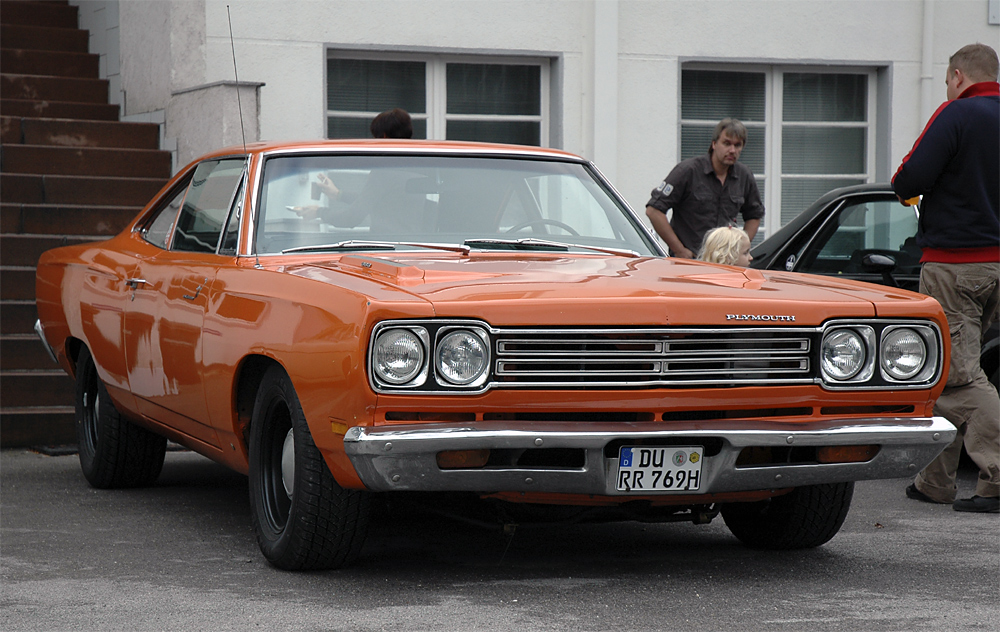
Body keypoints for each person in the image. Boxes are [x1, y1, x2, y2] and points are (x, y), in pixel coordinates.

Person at [892, 43, 999, 514]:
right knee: (947, 370)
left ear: (958, 75)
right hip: (995, 266)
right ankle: (934, 480)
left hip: (954, 263)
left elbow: (908, 179)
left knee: (961, 379)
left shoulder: (955, 115)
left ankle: (995, 478)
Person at [645, 118, 764, 258]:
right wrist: (679, 250)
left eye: (738, 145)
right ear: (714, 144)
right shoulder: (687, 171)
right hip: (689, 262)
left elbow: (754, 216)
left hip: (725, 264)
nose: (732, 150)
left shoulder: (744, 175)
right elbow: (654, 211)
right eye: (726, 143)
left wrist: (739, 249)